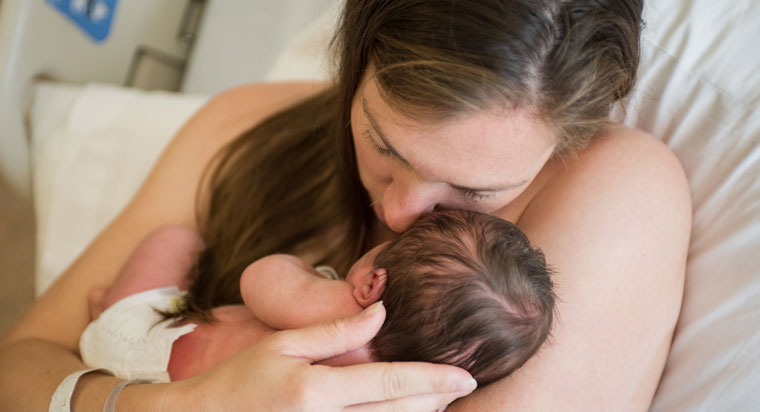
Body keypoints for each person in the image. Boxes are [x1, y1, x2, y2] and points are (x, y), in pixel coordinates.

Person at [0, 0, 691, 410]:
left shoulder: (615, 192)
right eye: (383, 143)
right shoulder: (238, 129)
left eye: (475, 193)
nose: (399, 212)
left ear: (568, 135)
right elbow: (19, 367)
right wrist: (169, 404)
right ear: (356, 62)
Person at [82, 210, 554, 385]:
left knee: (175, 240)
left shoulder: (332, 308)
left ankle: (108, 308)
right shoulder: (387, 387)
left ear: (373, 284)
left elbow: (257, 278)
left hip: (134, 342)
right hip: (158, 391)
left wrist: (307, 275)